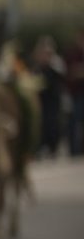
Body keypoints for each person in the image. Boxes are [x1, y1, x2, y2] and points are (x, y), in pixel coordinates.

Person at [32, 35, 66, 157]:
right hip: (41, 103)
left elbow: (61, 79)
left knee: (53, 125)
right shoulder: (37, 68)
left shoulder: (56, 66)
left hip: (53, 102)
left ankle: (53, 148)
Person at [62, 28, 84, 156]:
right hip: (75, 94)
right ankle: (74, 151)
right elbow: (69, 72)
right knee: (74, 122)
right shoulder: (72, 53)